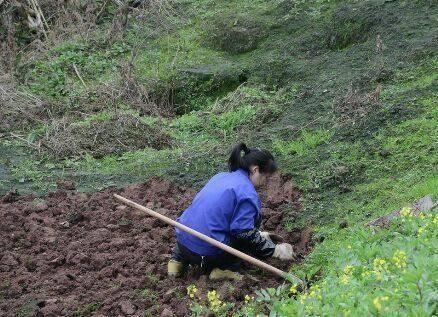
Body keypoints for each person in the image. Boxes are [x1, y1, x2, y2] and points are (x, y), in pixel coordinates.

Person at [167, 143, 295, 280]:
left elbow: (214, 216)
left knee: (198, 221)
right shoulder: (247, 193)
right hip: (208, 253)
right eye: (266, 178)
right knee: (243, 240)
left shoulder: (220, 177)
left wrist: (259, 235)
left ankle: (177, 261)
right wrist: (274, 250)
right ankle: (223, 269)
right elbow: (244, 234)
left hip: (183, 241)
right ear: (256, 170)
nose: (265, 183)